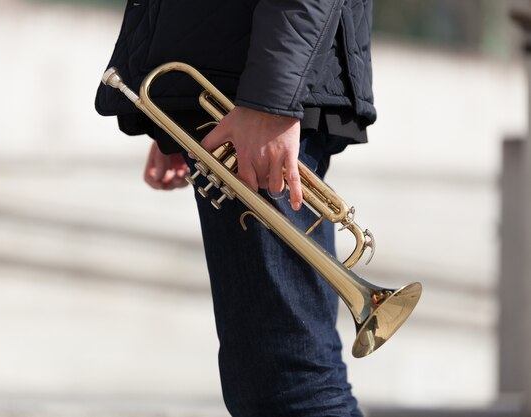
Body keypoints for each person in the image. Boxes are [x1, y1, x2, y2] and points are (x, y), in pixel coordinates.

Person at [96, 1, 375, 416]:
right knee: (267, 385)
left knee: (291, 387)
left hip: (258, 92)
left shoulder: (266, 97)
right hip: (242, 92)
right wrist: (178, 124)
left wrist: (271, 101)